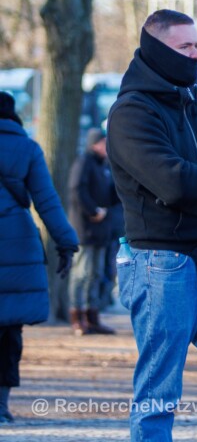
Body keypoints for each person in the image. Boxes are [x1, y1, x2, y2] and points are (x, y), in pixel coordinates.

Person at [107, 9, 197, 441]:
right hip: (163, 263)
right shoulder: (130, 112)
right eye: (185, 47)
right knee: (159, 391)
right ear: (157, 49)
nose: (196, 54)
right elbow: (175, 182)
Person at [0, 91, 78, 424]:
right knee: (9, 333)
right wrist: (66, 242)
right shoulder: (27, 148)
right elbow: (46, 202)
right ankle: (1, 405)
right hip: (18, 247)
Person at [67, 127, 119, 336]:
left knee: (96, 275)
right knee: (81, 274)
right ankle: (76, 317)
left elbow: (111, 194)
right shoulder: (84, 163)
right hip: (85, 231)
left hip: (101, 231)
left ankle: (92, 317)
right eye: (103, 142)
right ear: (93, 144)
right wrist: (93, 211)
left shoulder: (104, 166)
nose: (106, 147)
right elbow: (76, 190)